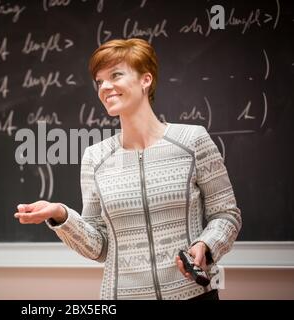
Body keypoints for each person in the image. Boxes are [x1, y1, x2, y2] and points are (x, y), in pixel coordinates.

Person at [14, 38, 242, 300]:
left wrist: (206, 245)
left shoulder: (193, 141)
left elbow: (226, 215)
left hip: (193, 295)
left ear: (146, 80)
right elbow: (98, 247)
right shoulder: (95, 158)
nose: (105, 87)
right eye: (99, 81)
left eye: (115, 75)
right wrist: (62, 215)